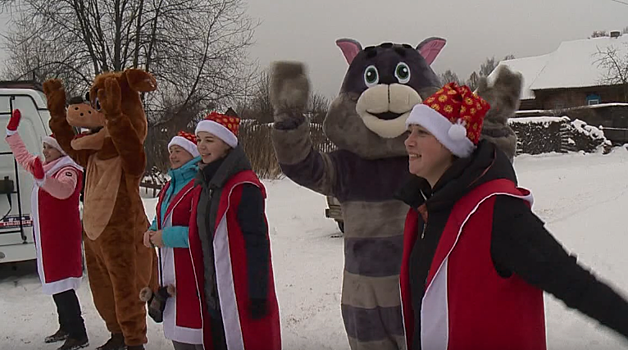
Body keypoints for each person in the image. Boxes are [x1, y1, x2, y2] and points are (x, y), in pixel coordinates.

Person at [397, 82, 628, 350]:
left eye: (422, 132)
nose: (408, 141)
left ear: (453, 144)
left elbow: (570, 281)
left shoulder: (497, 210)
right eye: (410, 130)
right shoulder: (422, 210)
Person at [188, 111, 281, 350]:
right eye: (199, 140)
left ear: (227, 144)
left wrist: (258, 294)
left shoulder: (243, 186)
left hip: (239, 294)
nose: (202, 147)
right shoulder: (202, 186)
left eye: (210, 140)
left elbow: (257, 244)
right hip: (212, 295)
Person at [5, 109, 88, 350]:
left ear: (61, 150)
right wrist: (12, 133)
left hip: (61, 237)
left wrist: (42, 180)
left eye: (49, 148)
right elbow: (23, 157)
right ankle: (66, 325)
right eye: (44, 148)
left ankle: (78, 332)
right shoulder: (47, 166)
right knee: (54, 282)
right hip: (48, 236)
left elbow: (63, 190)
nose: (45, 152)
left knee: (62, 284)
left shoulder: (68, 169)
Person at [141, 131, 203, 350]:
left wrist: (165, 237)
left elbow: (201, 231)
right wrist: (151, 232)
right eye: (171, 152)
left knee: (195, 325)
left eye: (178, 151)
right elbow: (162, 216)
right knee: (177, 322)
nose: (173, 156)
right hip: (170, 268)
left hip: (193, 269)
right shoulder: (169, 186)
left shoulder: (199, 185)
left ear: (193, 153)